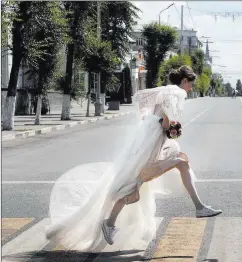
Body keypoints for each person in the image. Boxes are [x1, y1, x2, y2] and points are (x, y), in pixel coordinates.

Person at [45, 66, 222, 251]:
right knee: (137, 182)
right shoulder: (177, 93)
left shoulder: (166, 91)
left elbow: (151, 111)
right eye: (191, 85)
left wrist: (167, 127)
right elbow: (167, 121)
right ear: (184, 81)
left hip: (150, 139)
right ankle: (110, 223)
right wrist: (173, 128)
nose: (191, 88)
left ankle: (199, 207)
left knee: (175, 165)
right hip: (152, 143)